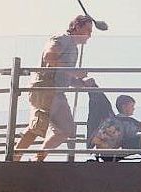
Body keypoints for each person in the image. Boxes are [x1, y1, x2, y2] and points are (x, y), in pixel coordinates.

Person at [13, 15, 94, 162]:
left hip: (52, 89)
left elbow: (64, 75)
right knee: (52, 127)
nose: (89, 35)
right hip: (47, 87)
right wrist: (74, 72)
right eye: (88, 30)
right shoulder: (63, 39)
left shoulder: (72, 47)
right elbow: (49, 57)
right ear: (77, 27)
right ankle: (25, 158)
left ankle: (27, 157)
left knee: (52, 128)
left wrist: (81, 83)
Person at [91, 95, 141, 159]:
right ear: (124, 107)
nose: (133, 108)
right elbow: (129, 135)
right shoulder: (128, 122)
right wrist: (140, 129)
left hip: (104, 154)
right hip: (116, 151)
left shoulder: (110, 120)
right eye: (132, 106)